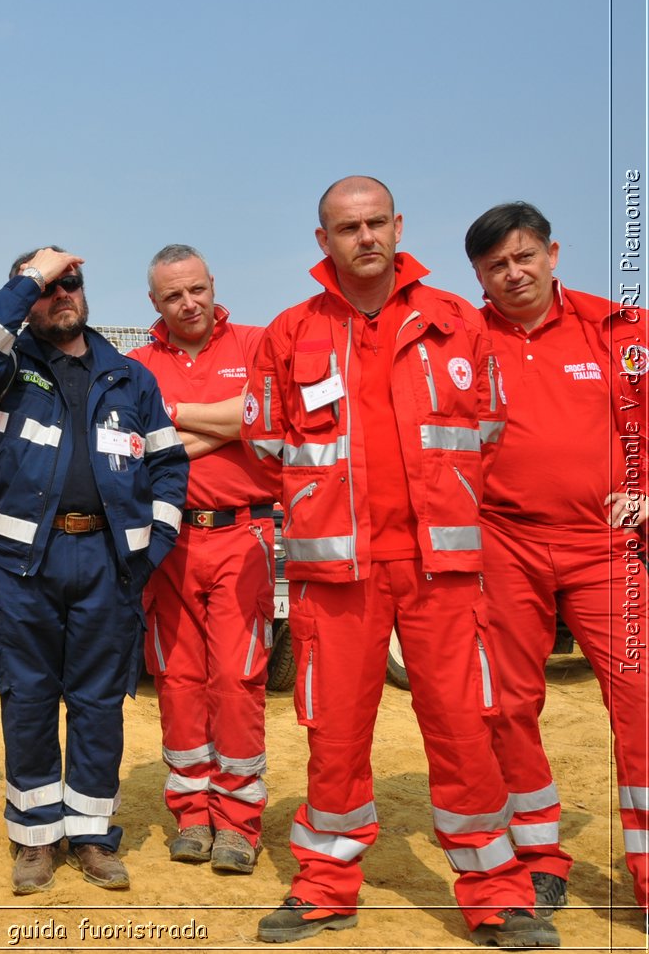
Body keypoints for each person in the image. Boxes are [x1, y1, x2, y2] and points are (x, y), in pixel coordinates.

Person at [246, 175, 556, 947]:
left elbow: (486, 431)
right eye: (347, 227)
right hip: (338, 576)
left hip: (441, 573)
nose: (365, 237)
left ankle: (495, 892)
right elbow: (264, 446)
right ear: (324, 241)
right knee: (336, 736)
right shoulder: (290, 333)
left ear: (398, 225)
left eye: (376, 222)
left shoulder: (455, 321)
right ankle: (324, 886)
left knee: (464, 730)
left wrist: (439, 505)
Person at [0, 246, 187, 894]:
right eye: (45, 288)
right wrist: (30, 275)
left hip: (105, 564)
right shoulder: (7, 369)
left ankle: (91, 834)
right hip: (24, 564)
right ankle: (36, 839)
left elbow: (169, 464)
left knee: (97, 705)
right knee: (28, 700)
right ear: (26, 299)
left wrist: (154, 545)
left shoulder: (129, 377)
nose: (62, 295)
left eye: (71, 283)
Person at [464, 201, 648, 913]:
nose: (513, 274)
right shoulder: (467, 339)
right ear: (478, 275)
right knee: (506, 705)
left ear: (553, 253)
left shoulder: (621, 330)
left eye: (524, 257)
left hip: (603, 548)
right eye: (495, 266)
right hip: (503, 543)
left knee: (640, 701)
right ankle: (539, 856)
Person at [128, 244, 275, 875]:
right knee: (178, 679)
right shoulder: (136, 366)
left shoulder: (258, 346)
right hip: (170, 541)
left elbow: (268, 420)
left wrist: (178, 421)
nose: (188, 304)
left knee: (238, 681)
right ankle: (190, 812)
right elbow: (135, 447)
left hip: (244, 535)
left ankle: (238, 821)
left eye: (196, 290)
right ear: (153, 303)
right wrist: (227, 424)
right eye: (172, 296)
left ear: (214, 284)